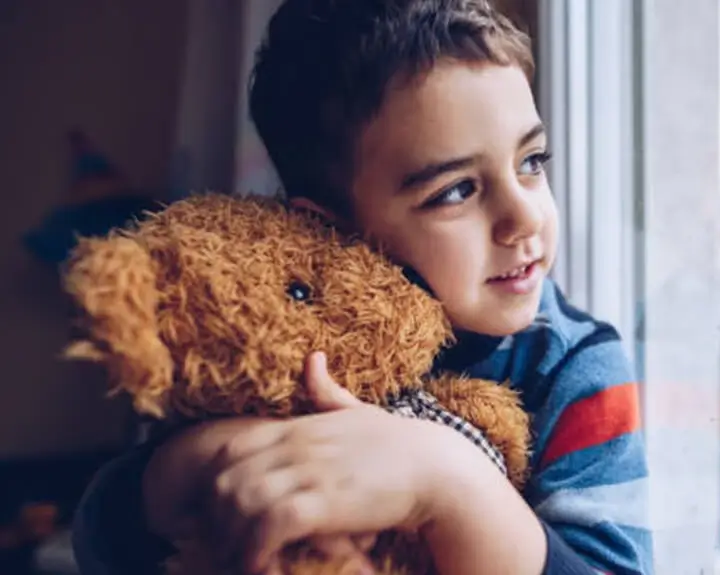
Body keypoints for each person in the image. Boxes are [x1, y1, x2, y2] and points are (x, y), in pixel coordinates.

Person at [71, 0, 652, 573]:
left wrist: (448, 483)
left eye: (531, 160)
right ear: (333, 228)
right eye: (456, 191)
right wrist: (195, 464)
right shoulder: (287, 339)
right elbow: (98, 537)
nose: (524, 217)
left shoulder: (574, 366)